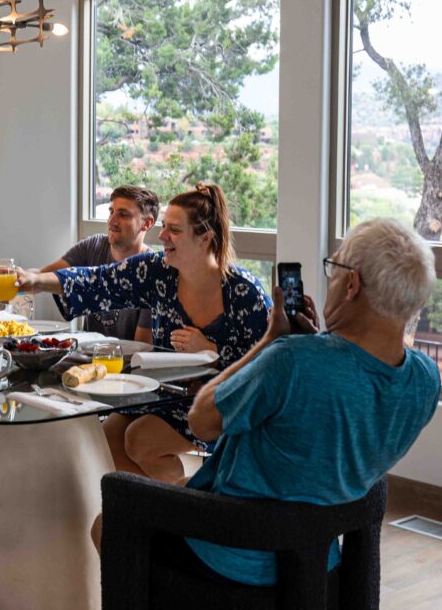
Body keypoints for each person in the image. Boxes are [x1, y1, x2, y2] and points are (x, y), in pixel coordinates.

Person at [179, 218, 440, 586]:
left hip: (233, 555)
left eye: (333, 268)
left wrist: (270, 342)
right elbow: (343, 396)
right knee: (175, 480)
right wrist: (314, 347)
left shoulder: (292, 361)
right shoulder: (426, 380)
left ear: (352, 284)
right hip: (317, 560)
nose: (328, 279)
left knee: (108, 522)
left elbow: (201, 420)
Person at [18, 183, 270, 485]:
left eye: (174, 230)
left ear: (205, 238)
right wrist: (36, 281)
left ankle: (179, 507)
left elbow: (268, 366)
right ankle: (166, 504)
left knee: (140, 439)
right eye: (164, 227)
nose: (162, 237)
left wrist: (214, 352)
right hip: (168, 395)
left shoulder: (245, 293)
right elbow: (98, 280)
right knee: (108, 437)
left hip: (221, 404)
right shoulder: (157, 271)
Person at [40, 185, 160, 342]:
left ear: (147, 223)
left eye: (123, 215)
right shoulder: (94, 245)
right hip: (86, 358)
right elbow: (44, 276)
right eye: (111, 212)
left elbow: (141, 348)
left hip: (124, 363)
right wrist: (13, 275)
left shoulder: (152, 271)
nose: (112, 221)